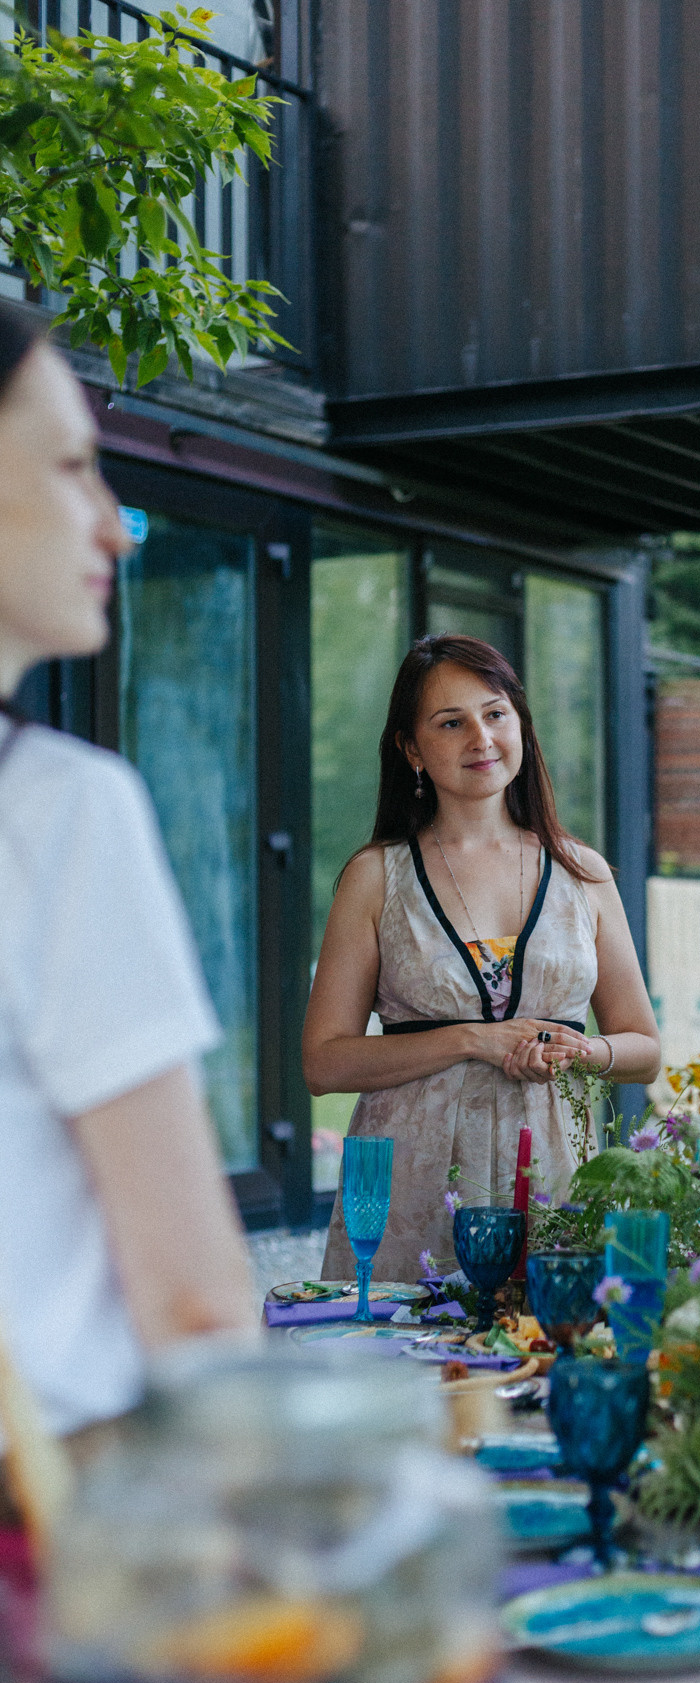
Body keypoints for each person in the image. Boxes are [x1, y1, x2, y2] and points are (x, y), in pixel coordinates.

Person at [0, 302, 254, 1465]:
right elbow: (193, 1308)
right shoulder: (57, 813)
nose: (117, 528)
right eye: (70, 469)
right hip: (51, 1539)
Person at [304, 633, 661, 1282]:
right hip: (410, 1188)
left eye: (495, 713)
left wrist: (581, 1052)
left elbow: (644, 1049)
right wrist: (472, 1040)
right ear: (410, 749)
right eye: (450, 722)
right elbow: (323, 1061)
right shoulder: (376, 876)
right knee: (411, 1373)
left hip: (553, 1182)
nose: (481, 737)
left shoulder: (581, 873)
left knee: (540, 1363)